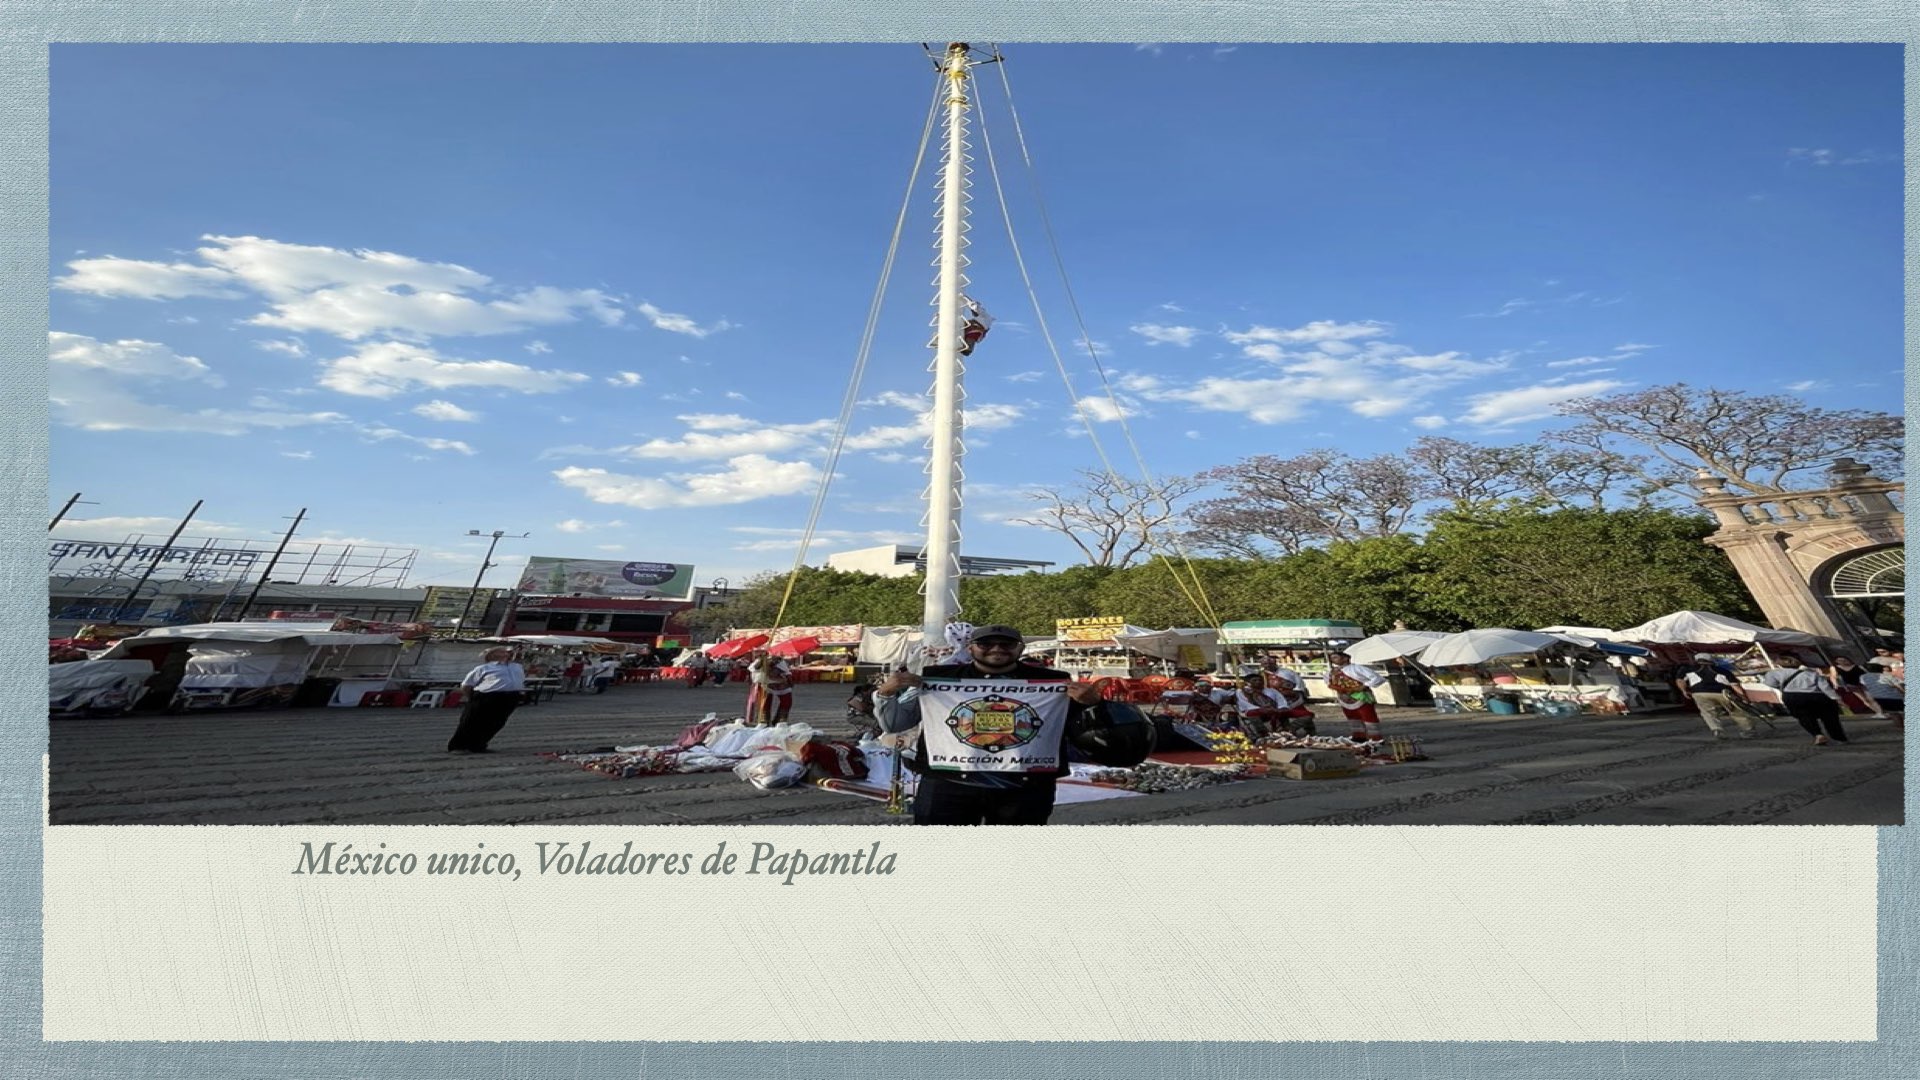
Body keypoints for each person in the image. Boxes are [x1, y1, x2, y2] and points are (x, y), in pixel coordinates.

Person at [873, 624, 1152, 825]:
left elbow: (1088, 731)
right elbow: (895, 723)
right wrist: (885, 693)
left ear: (1020, 648)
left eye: (1006, 644)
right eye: (986, 644)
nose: (997, 649)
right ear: (970, 648)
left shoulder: (1053, 680)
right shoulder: (934, 678)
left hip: (1025, 787)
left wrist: (1092, 704)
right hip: (948, 784)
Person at [448, 647, 526, 753]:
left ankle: (478, 744)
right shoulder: (484, 668)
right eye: (501, 651)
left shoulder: (517, 666)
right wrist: (472, 697)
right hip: (487, 696)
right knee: (472, 721)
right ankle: (458, 746)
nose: (506, 653)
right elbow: (467, 685)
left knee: (496, 722)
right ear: (493, 655)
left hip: (510, 696)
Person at [1760, 657, 1848, 745]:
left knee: (1804, 716)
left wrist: (1782, 686)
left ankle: (1818, 735)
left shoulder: (1774, 673)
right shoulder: (1811, 673)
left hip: (1792, 696)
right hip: (1817, 696)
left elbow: (1770, 684)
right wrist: (1836, 699)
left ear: (1778, 665)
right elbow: (1825, 687)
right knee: (1829, 717)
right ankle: (1838, 738)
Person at [1680, 661, 1757, 739]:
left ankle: (1717, 730)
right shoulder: (1722, 670)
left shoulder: (1688, 670)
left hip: (1700, 693)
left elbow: (1680, 680)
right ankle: (1748, 730)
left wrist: (1684, 690)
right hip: (1722, 693)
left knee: (1708, 713)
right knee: (1736, 711)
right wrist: (1743, 698)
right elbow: (1735, 686)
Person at [1325, 651, 1388, 742]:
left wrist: (1364, 686)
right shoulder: (1331, 672)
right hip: (1344, 698)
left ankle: (1375, 738)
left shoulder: (1357, 668)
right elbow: (1328, 682)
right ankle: (1359, 737)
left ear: (1345, 658)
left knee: (1368, 717)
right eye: (1332, 658)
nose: (1333, 660)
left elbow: (1377, 678)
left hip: (1361, 697)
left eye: (1335, 657)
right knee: (1352, 718)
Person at [745, 650, 795, 726]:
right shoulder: (763, 661)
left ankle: (777, 719)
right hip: (767, 683)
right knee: (767, 702)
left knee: (783, 701)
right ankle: (769, 719)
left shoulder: (778, 661)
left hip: (776, 684)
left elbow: (751, 670)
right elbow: (787, 673)